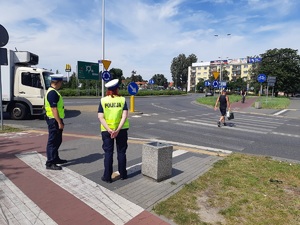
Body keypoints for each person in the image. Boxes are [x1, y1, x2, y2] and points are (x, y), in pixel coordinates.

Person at [98, 79, 130, 183]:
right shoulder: (122, 100)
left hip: (107, 131)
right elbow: (124, 116)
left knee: (108, 153)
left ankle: (107, 177)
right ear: (117, 89)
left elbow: (100, 117)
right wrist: (117, 130)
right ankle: (123, 174)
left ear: (108, 90)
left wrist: (110, 130)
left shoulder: (103, 100)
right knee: (121, 152)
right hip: (121, 130)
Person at [44, 74, 67, 170]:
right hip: (54, 120)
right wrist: (59, 122)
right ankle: (50, 162)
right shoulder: (52, 93)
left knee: (57, 140)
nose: (61, 84)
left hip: (55, 119)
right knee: (53, 141)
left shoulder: (53, 91)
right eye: (61, 82)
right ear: (57, 83)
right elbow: (54, 109)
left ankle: (55, 158)